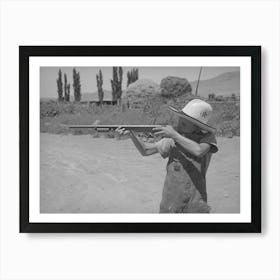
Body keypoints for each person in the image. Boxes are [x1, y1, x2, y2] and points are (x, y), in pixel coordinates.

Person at [116, 99, 218, 213]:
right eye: (180, 119)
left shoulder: (207, 138)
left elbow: (198, 151)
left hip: (195, 203)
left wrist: (174, 134)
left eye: (184, 123)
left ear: (197, 126)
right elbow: (146, 150)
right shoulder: (173, 139)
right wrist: (131, 134)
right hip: (170, 202)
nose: (179, 124)